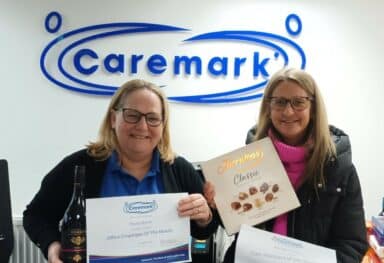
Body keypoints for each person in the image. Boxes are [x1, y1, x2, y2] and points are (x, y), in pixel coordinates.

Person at [23, 79, 217, 263]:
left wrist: (204, 217)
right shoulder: (79, 165)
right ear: (113, 119)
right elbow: (36, 215)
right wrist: (52, 245)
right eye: (132, 115)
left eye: (153, 118)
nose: (142, 126)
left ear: (162, 125)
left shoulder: (179, 168)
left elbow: (203, 231)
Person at [204, 68, 368, 262]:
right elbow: (236, 226)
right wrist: (218, 207)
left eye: (298, 102)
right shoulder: (249, 159)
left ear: (313, 108)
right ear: (269, 107)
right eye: (279, 102)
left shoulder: (339, 168)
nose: (288, 111)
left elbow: (352, 244)